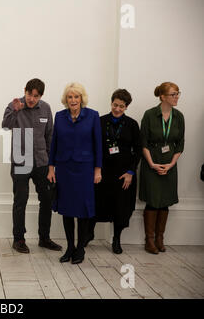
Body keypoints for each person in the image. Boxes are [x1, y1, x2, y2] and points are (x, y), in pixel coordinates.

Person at [2, 78, 62, 254]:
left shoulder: (46, 108)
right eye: (29, 94)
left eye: (36, 96)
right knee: (20, 201)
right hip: (21, 161)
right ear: (25, 91)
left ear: (41, 96)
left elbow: (50, 136)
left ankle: (44, 238)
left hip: (42, 162)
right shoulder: (15, 105)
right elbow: (5, 126)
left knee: (47, 200)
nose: (31, 99)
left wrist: (52, 165)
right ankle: (19, 239)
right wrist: (14, 111)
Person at [47, 82, 102, 264]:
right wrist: (51, 168)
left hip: (85, 169)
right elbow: (54, 144)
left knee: (83, 210)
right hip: (64, 169)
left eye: (76, 97)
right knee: (67, 209)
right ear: (66, 99)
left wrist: (98, 170)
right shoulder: (60, 116)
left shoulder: (93, 116)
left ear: (81, 99)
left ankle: (80, 248)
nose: (73, 100)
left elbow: (98, 145)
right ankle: (70, 247)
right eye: (70, 97)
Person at [87, 89, 141, 254]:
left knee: (121, 207)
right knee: (96, 203)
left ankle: (116, 239)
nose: (117, 109)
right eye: (115, 105)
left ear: (126, 107)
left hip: (123, 174)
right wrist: (95, 170)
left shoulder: (132, 124)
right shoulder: (100, 121)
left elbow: (138, 150)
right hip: (102, 171)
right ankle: (89, 233)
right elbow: (92, 146)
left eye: (122, 106)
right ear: (111, 103)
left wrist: (131, 172)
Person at [139, 82, 185, 254]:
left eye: (178, 93)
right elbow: (143, 142)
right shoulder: (150, 115)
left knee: (164, 200)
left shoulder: (179, 116)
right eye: (173, 94)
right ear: (163, 97)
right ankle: (149, 240)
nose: (177, 97)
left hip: (169, 165)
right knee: (153, 200)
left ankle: (160, 238)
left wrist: (171, 164)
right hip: (152, 163)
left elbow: (180, 143)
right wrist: (151, 163)